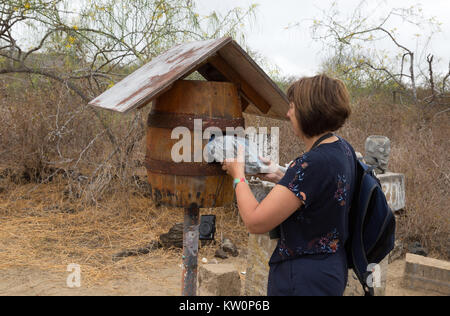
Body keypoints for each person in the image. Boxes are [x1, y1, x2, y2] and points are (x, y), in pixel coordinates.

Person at [221, 74, 356, 296]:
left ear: (308, 111)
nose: (288, 113)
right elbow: (322, 188)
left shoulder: (311, 163)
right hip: (330, 268)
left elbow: (255, 222)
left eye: (292, 107)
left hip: (303, 278)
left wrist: (238, 176)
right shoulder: (342, 149)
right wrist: (278, 174)